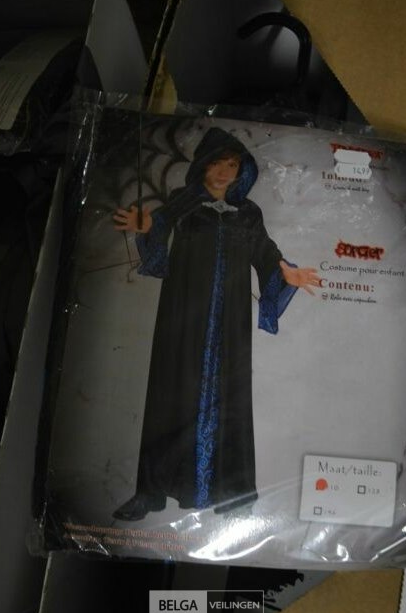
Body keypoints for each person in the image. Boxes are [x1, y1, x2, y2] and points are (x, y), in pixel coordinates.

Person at [111, 127, 320, 520]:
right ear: (203, 165)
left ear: (242, 170)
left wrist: (284, 271)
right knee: (169, 397)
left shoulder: (249, 213)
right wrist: (148, 226)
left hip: (229, 323)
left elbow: (265, 251)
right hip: (183, 316)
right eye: (217, 163)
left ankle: (234, 496)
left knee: (231, 399)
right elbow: (158, 226)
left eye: (233, 165)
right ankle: (150, 493)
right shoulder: (184, 201)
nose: (224, 172)